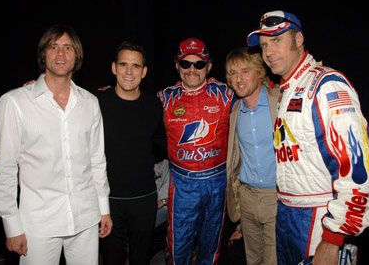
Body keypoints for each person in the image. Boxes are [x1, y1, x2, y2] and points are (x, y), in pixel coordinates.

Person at [247, 10, 369, 264]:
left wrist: (333, 238)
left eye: (276, 41)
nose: (268, 52)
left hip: (320, 219)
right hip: (287, 214)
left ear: (298, 40)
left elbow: (360, 169)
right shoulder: (288, 90)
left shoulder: (326, 85)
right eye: (264, 45)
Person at [0, 24, 112, 265]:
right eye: (53, 47)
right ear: (43, 55)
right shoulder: (14, 103)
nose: (60, 54)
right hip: (37, 225)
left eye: (67, 47)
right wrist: (11, 224)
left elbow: (97, 161)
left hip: (85, 220)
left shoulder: (89, 102)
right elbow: (5, 168)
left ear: (76, 56)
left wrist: (104, 208)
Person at [157, 38, 235, 264]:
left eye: (199, 64)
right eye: (186, 64)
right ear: (177, 66)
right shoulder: (164, 98)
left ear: (209, 66)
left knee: (211, 247)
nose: (192, 69)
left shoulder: (225, 94)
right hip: (183, 185)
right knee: (178, 247)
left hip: (217, 183)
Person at [96, 41, 167, 265]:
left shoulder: (154, 105)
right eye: (123, 65)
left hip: (144, 199)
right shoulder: (96, 102)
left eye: (135, 66)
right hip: (108, 201)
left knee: (141, 259)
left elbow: (165, 145)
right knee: (111, 259)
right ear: (114, 68)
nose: (129, 72)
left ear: (144, 72)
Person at [225, 47, 280, 265]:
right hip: (247, 199)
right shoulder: (235, 111)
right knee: (252, 261)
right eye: (232, 73)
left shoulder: (281, 103)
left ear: (259, 72)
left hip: (277, 198)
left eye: (245, 71)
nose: (238, 79)